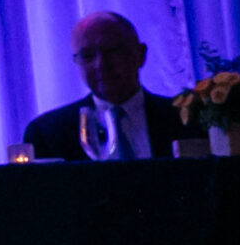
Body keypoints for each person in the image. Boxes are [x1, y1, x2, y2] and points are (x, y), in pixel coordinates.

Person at [23, 11, 205, 161]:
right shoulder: (47, 133)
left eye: (113, 52)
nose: (101, 65)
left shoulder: (187, 117)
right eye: (88, 56)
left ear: (140, 55)